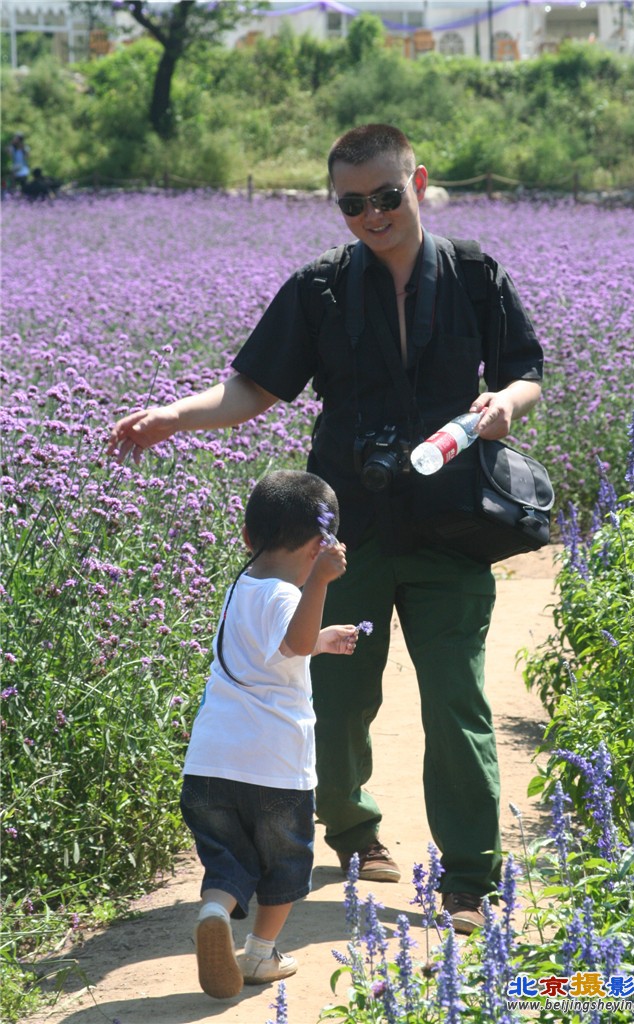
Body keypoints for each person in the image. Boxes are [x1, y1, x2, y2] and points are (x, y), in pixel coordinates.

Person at [108, 123, 543, 935]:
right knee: (337, 699)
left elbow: (525, 370)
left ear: (419, 183)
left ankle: (469, 880)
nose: (372, 215)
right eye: (352, 204)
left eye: (386, 196)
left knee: (459, 703)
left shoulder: (478, 274)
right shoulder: (320, 289)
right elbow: (251, 390)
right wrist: (175, 416)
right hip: (344, 533)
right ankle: (351, 832)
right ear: (336, 205)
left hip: (455, 522)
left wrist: (501, 406)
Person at [180, 469, 357, 999]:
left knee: (228, 860)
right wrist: (322, 584)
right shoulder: (289, 594)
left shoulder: (239, 590)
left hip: (211, 762)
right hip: (275, 767)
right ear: (319, 548)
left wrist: (319, 639)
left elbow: (274, 648)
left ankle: (215, 910)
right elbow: (293, 641)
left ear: (246, 537)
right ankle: (259, 955)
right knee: (283, 864)